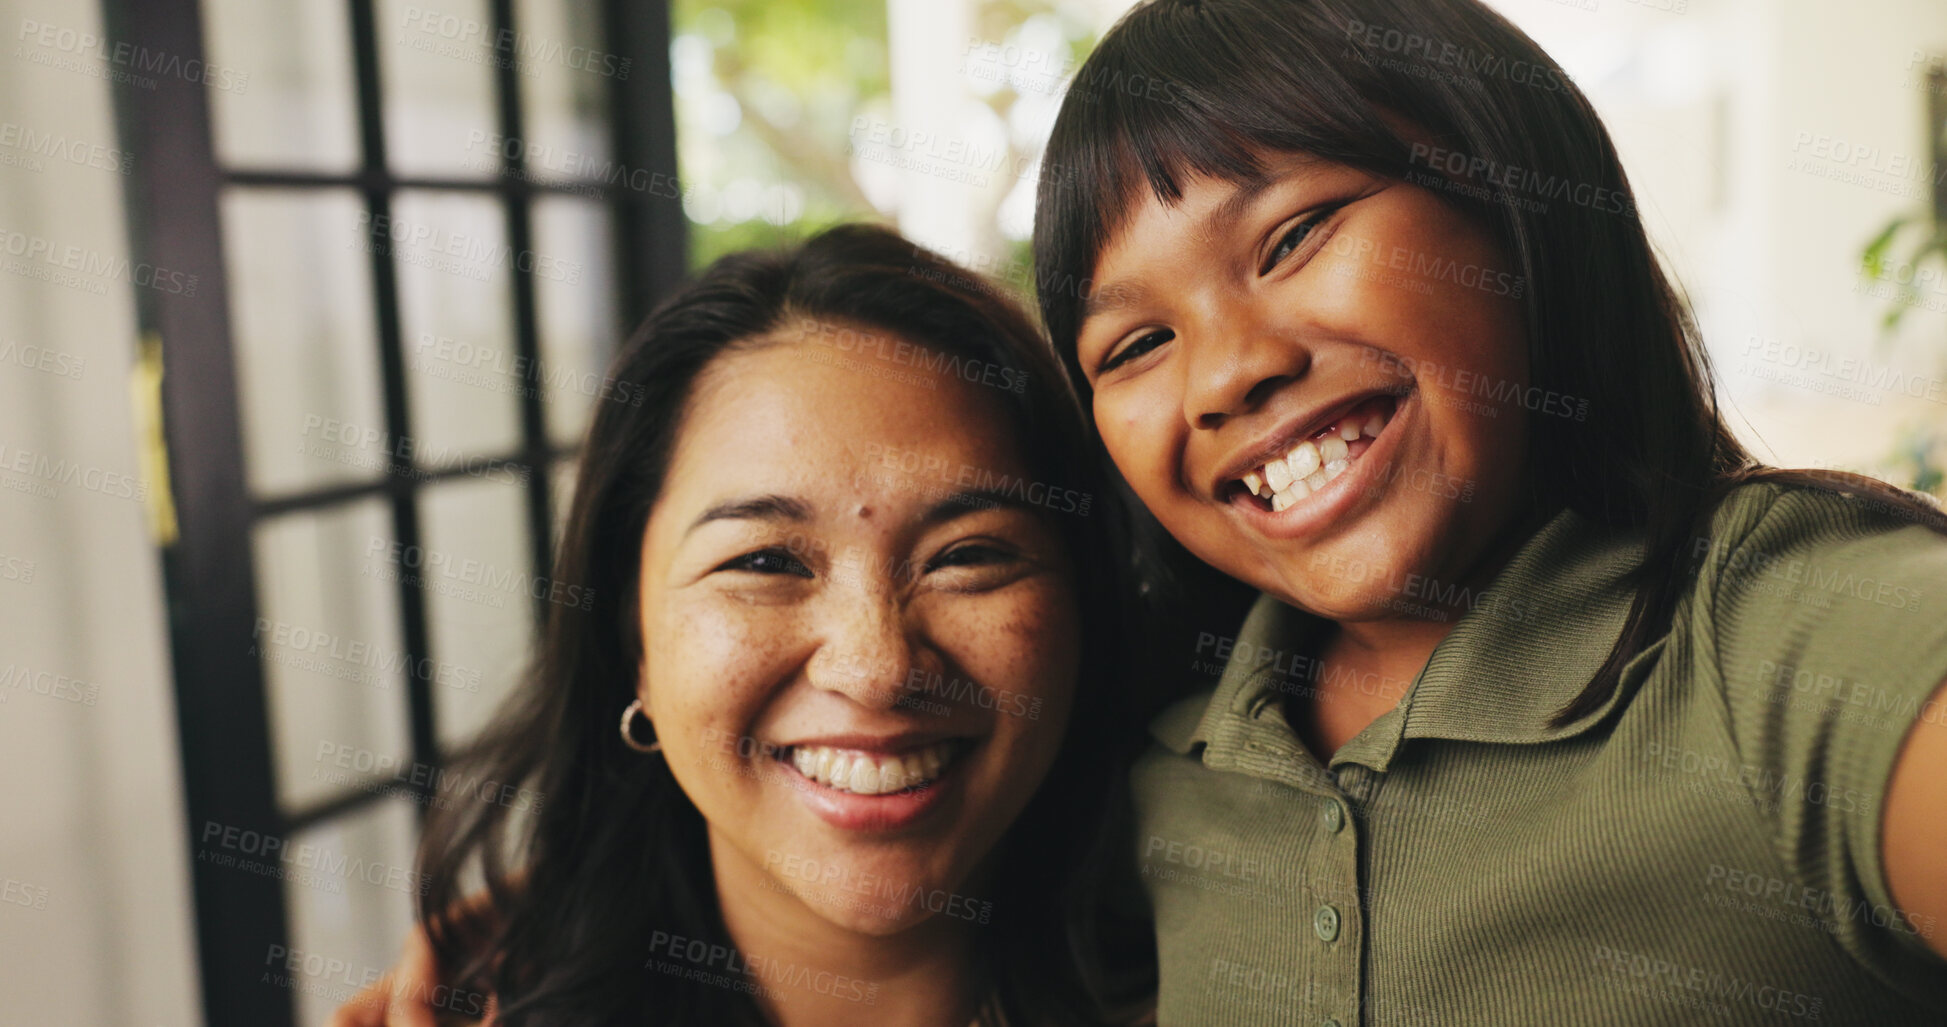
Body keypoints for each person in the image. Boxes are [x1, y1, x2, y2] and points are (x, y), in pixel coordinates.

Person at [1028, 0, 1947, 1023]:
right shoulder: (1155, 776)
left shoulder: (1796, 641)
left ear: (1513, 201)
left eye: (1290, 237)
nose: (1226, 375)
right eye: (1135, 346)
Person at [328, 223, 1153, 1027]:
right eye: (764, 563)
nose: (876, 666)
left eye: (966, 554)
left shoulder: (1238, 962)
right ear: (633, 642)